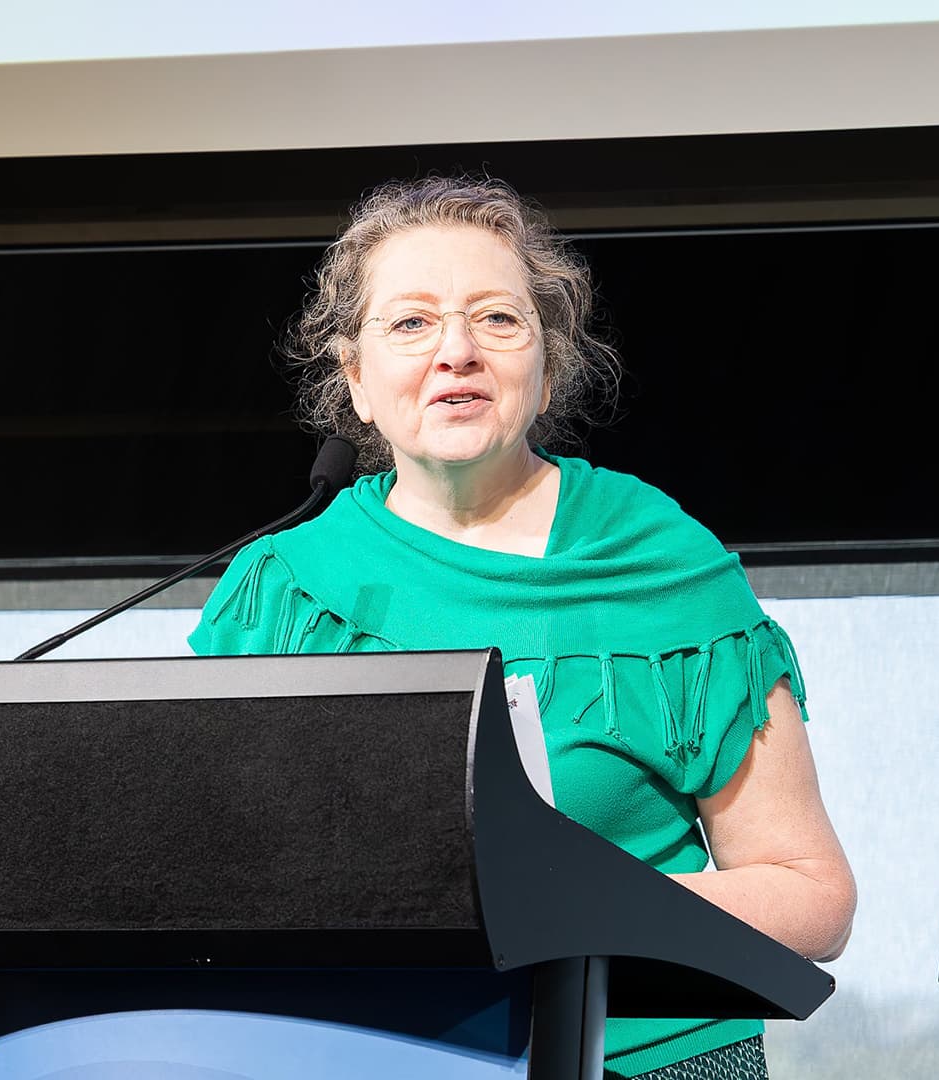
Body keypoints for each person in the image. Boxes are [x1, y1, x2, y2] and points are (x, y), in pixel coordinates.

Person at [190, 177, 856, 1079]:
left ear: (546, 368)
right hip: (356, 1051)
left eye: (497, 320)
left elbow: (814, 900)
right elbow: (202, 867)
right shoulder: (283, 584)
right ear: (356, 379)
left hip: (640, 1056)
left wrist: (580, 906)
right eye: (412, 323)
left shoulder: (665, 559)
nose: (455, 351)